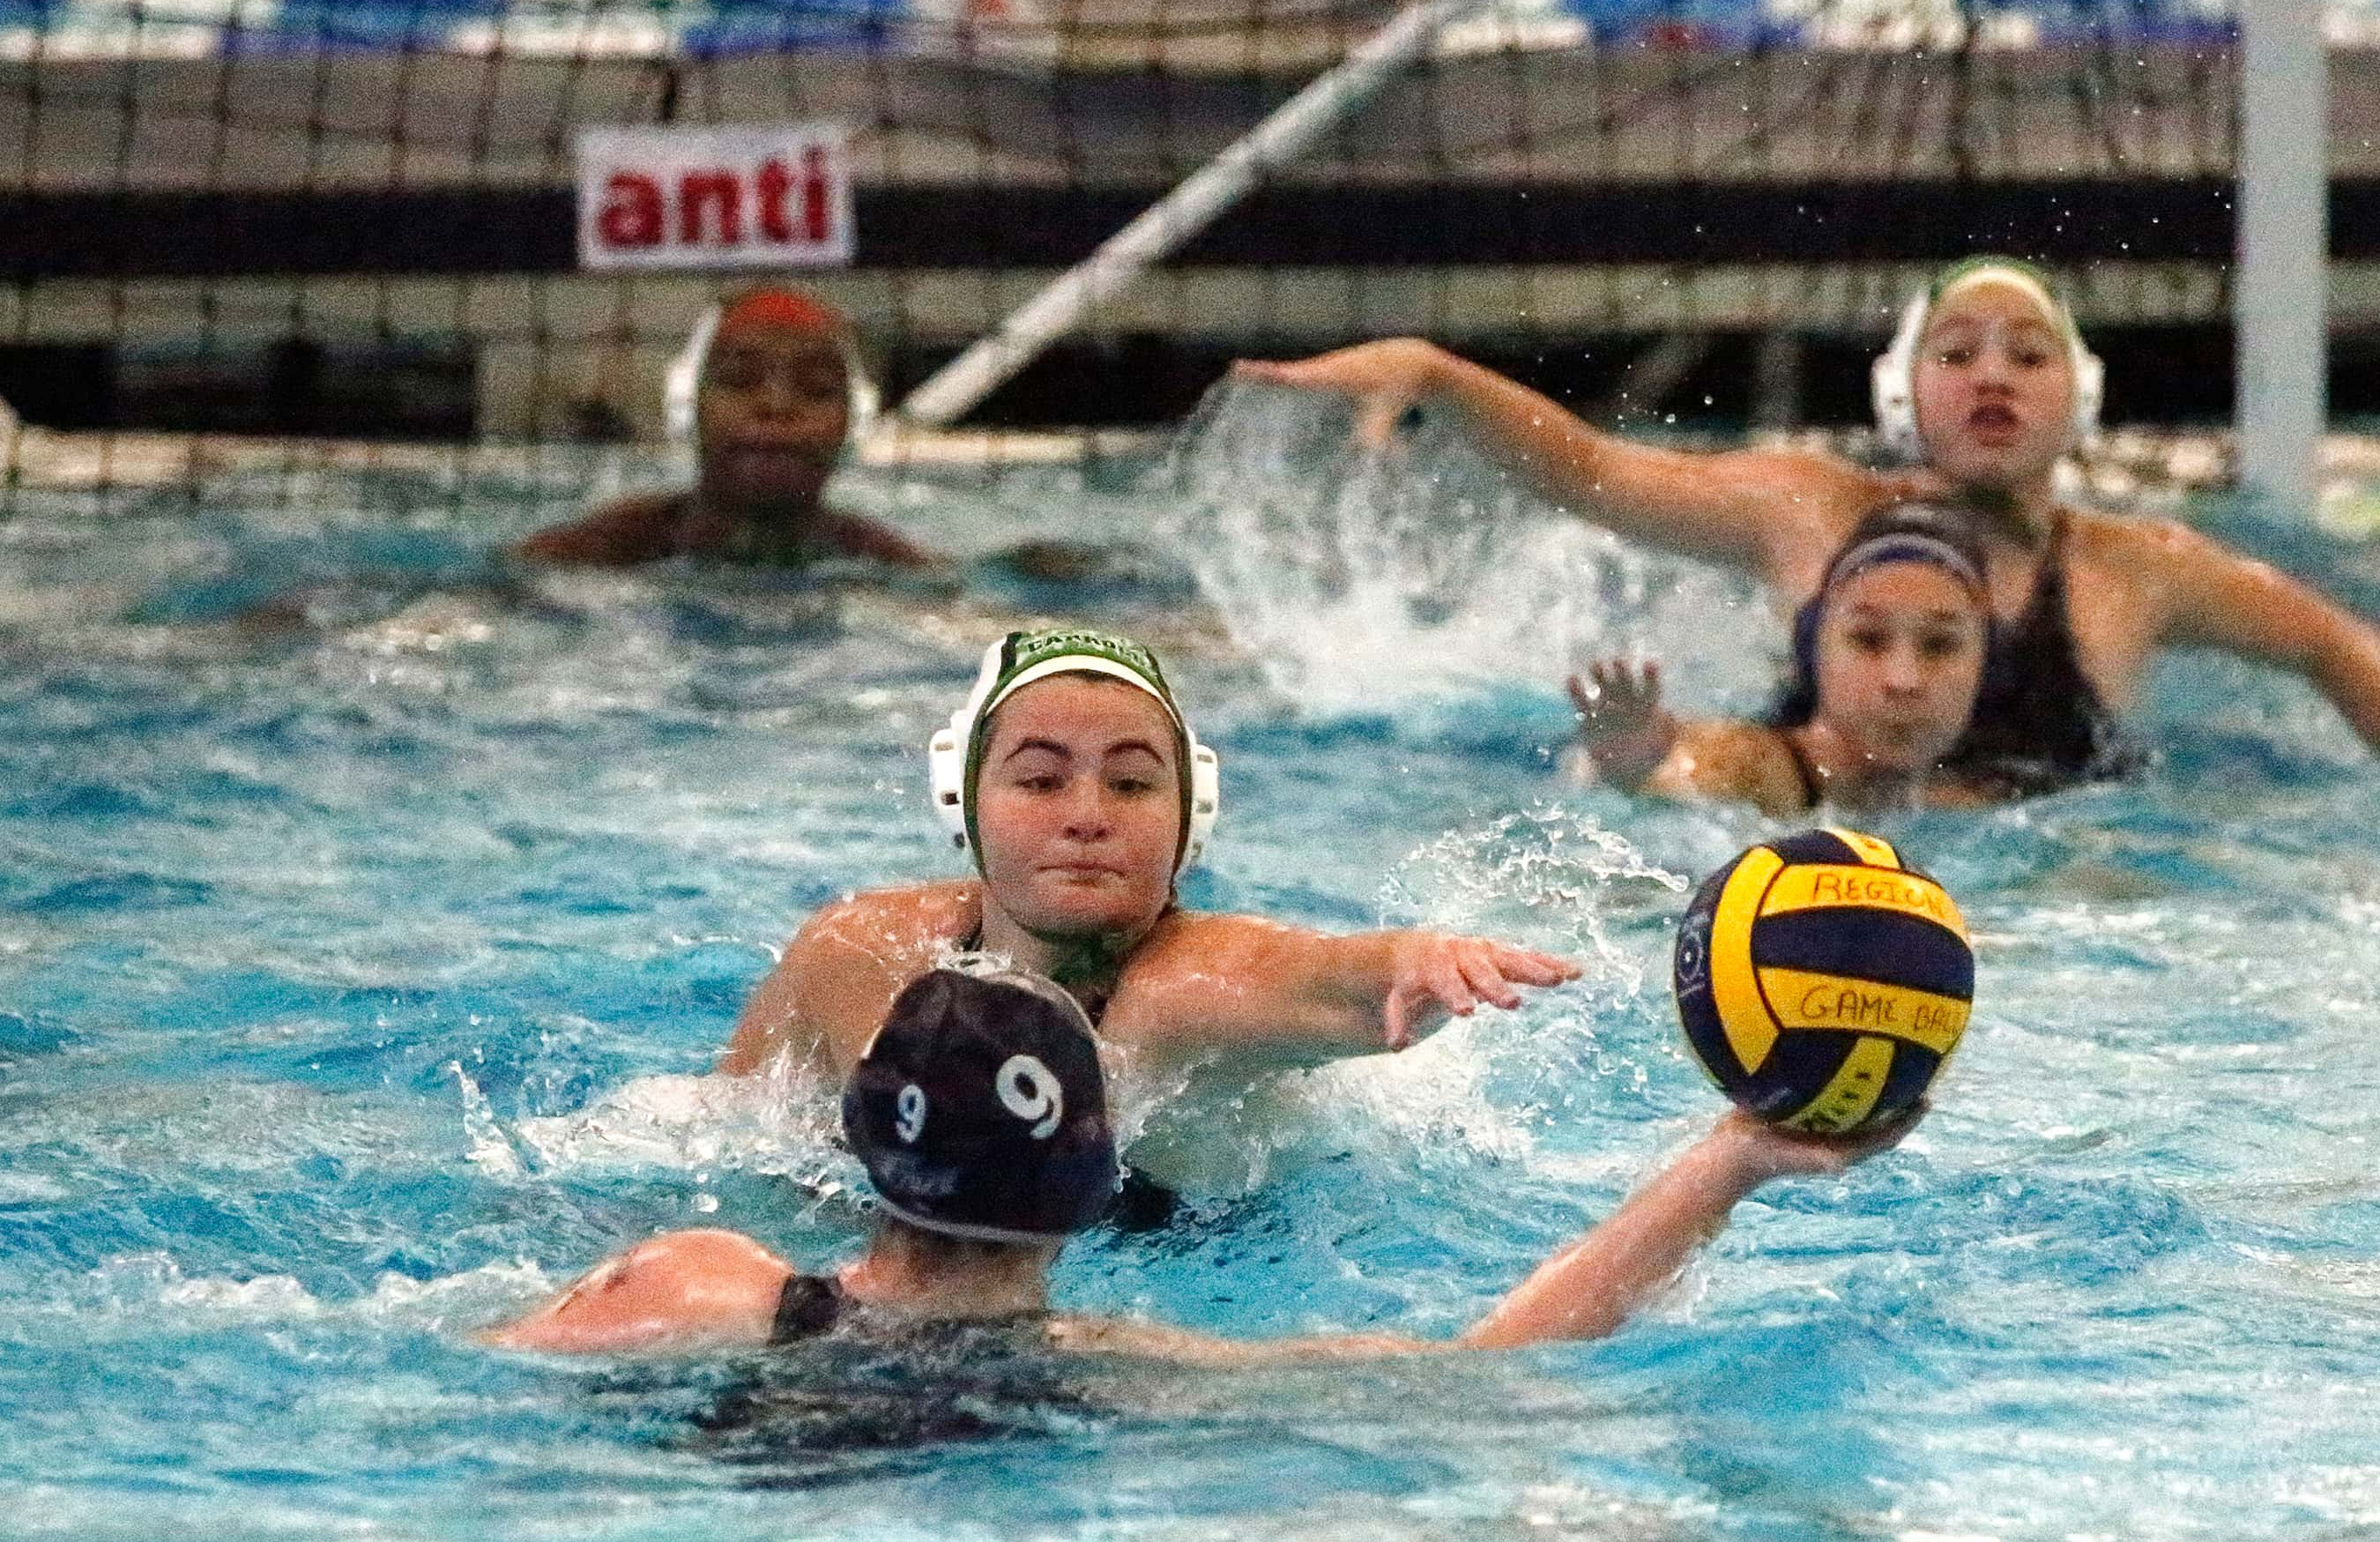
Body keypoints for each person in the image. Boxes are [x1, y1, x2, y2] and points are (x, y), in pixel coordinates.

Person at [1237, 257, 2380, 792]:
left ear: (2076, 394)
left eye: (2026, 355)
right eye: (1956, 352)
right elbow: (1590, 471)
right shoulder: (1809, 508)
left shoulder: (2140, 570)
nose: (1991, 376)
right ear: (1898, 392)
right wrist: (1441, 374)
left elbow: (2334, 647)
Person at [494, 963, 1922, 1358]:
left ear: (856, 1145)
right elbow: (1489, 1364)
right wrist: (1725, 1160)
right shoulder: (1117, 1365)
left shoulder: (701, 1283)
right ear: (1086, 1184)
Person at [718, 625, 1580, 1096]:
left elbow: (1330, 980)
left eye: (1131, 784)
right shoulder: (856, 958)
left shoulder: (1183, 994)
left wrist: (1420, 961)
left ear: (1189, 817)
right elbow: (707, 1141)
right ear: (962, 800)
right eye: (1041, 780)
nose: (1087, 818)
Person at [1568, 501, 2005, 816]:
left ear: (1984, 661)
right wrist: (1634, 764)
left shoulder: (1975, 797)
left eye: (1940, 645)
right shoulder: (1768, 770)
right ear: (1815, 651)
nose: (1904, 679)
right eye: (1869, 641)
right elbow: (1700, 773)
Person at [512, 287, 946, 571]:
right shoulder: (591, 552)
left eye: (816, 389)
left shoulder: (893, 566)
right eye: (739, 380)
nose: (776, 406)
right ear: (686, 408)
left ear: (854, 424)